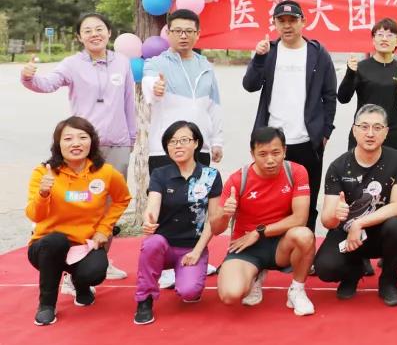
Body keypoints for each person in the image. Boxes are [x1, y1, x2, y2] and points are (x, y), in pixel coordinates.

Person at [21, 13, 135, 281]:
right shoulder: (72, 64)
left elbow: (129, 100)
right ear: (79, 37)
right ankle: (72, 268)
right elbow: (47, 84)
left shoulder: (122, 63)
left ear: (109, 32)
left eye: (99, 29)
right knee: (79, 204)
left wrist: (132, 138)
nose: (95, 34)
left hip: (118, 142)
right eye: (88, 30)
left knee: (109, 206)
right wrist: (29, 78)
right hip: (83, 147)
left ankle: (101, 257)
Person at [26, 116, 131, 325]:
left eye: (82, 137)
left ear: (92, 141)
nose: (76, 143)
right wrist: (43, 194)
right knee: (55, 241)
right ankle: (46, 305)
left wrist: (104, 229)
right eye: (68, 139)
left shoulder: (106, 172)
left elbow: (122, 199)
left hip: (84, 245)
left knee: (95, 272)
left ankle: (81, 285)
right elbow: (34, 215)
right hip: (46, 246)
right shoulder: (43, 172)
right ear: (58, 144)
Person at [243, 0, 337, 232]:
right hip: (273, 140)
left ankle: (305, 244)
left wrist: (325, 132)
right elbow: (250, 85)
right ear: (274, 23)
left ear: (303, 22)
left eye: (292, 20)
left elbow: (329, 95)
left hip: (307, 140)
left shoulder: (318, 53)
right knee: (271, 199)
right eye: (281, 21)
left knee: (308, 201)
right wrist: (258, 58)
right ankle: (273, 246)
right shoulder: (269, 52)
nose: (287, 26)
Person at [210, 127, 317, 316]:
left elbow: (300, 218)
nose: (270, 160)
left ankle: (297, 290)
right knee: (229, 296)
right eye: (262, 154)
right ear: (252, 154)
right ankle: (255, 274)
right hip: (246, 247)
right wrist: (225, 214)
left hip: (281, 244)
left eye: (276, 153)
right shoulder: (237, 180)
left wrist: (259, 232)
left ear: (284, 150)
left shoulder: (296, 172)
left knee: (304, 235)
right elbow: (217, 229)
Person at [314, 105, 397, 305]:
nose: (370, 133)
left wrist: (359, 223)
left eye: (377, 127)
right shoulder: (338, 166)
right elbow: (327, 221)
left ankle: (389, 281)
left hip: (380, 232)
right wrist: (336, 214)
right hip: (347, 235)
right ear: (354, 130)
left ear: (386, 132)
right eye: (364, 127)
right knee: (326, 268)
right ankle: (353, 272)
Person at [133, 121, 221, 325]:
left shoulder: (210, 176)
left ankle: (185, 276)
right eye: (172, 142)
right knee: (151, 243)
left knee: (189, 293)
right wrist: (148, 220)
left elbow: (213, 219)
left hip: (191, 247)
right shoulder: (160, 174)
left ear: (196, 143)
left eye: (184, 140)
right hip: (164, 244)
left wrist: (197, 251)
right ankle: (145, 299)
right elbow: (153, 205)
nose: (178, 146)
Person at [143, 9, 225, 171]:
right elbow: (149, 83)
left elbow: (214, 107)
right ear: (168, 33)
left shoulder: (206, 66)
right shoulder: (155, 63)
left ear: (197, 34)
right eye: (177, 31)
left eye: (188, 31)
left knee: (201, 189)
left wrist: (217, 142)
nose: (183, 36)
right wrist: (155, 88)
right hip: (164, 149)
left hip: (199, 148)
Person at [338, 18, 397, 152]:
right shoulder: (361, 67)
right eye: (380, 35)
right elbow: (343, 98)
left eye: (390, 35)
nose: (384, 39)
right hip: (363, 132)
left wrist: (391, 118)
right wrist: (350, 73)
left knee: (393, 166)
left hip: (391, 134)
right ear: (373, 39)